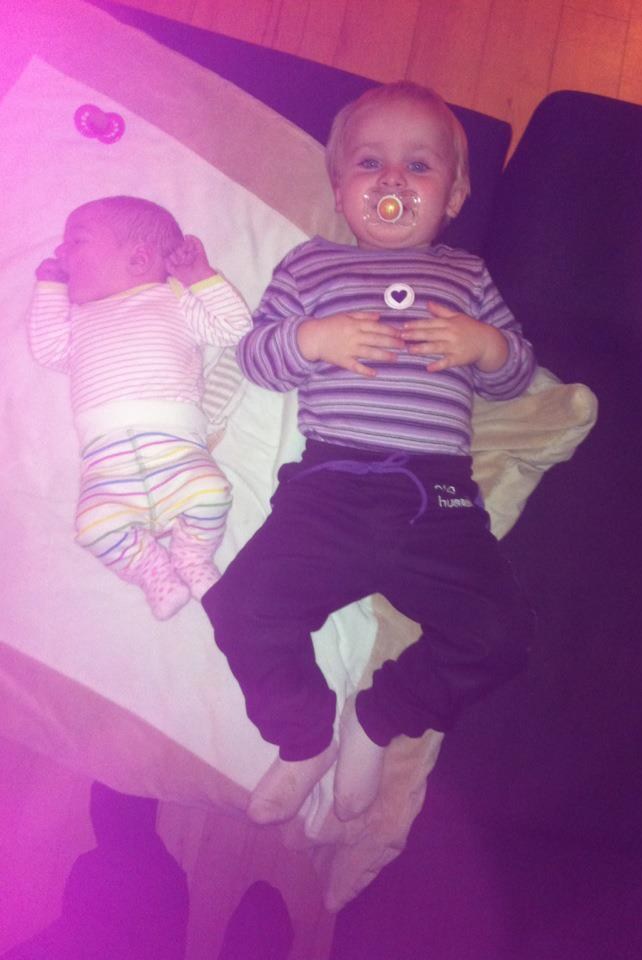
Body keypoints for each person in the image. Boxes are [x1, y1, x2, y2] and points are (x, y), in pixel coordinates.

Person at [202, 82, 536, 825]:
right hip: (329, 489)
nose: (391, 180)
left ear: (454, 196)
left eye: (418, 166)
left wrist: (484, 346)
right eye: (369, 163)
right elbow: (258, 358)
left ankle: (383, 715)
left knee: (501, 635)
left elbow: (515, 377)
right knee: (241, 607)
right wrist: (312, 339)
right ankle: (304, 734)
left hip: (438, 501)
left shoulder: (467, 277)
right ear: (339, 189)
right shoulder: (311, 266)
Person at [27, 196, 251, 620]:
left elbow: (234, 327)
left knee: (211, 493)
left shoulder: (174, 299)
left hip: (177, 447)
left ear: (139, 259)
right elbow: (47, 349)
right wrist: (50, 289)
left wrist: (200, 277)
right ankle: (153, 571)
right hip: (104, 462)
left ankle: (192, 556)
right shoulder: (80, 319)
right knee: (93, 527)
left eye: (76, 242)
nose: (61, 252)